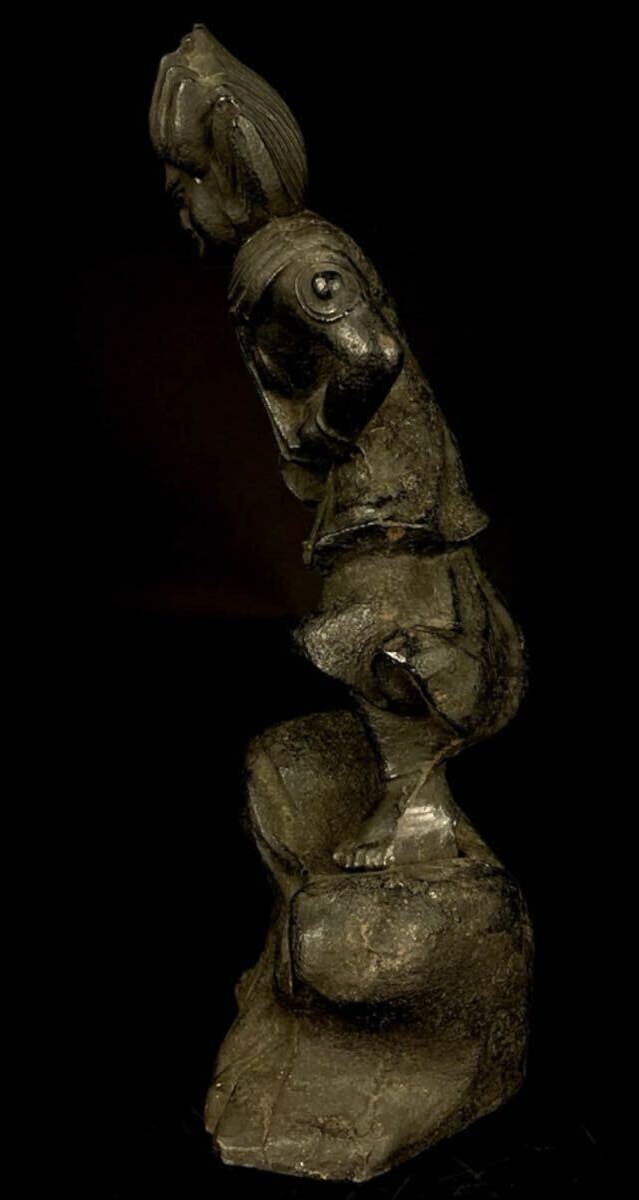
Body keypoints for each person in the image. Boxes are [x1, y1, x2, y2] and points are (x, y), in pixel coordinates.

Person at [151, 26, 524, 869]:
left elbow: (372, 354)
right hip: (370, 496)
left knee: (377, 634)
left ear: (230, 174)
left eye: (187, 182)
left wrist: (323, 428)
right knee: (373, 630)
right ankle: (411, 803)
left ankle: (416, 808)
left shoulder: (297, 261)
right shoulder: (276, 256)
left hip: (391, 495)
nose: (180, 202)